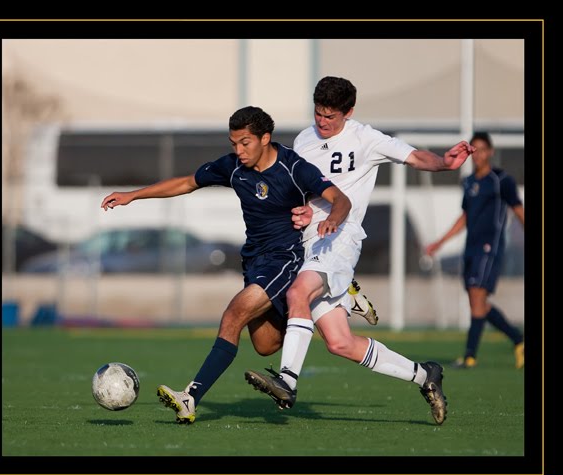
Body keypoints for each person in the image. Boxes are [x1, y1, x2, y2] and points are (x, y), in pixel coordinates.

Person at [245, 76, 475, 425]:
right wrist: (304, 209)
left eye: (331, 116)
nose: (323, 121)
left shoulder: (366, 138)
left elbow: (414, 156)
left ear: (348, 112)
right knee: (339, 342)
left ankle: (287, 380)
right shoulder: (304, 139)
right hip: (307, 242)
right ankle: (424, 375)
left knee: (298, 293)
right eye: (318, 113)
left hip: (341, 237)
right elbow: (303, 187)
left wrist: (444, 162)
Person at [100, 106, 352, 424]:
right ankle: (325, 299)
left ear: (265, 138)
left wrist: (332, 219)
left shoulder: (293, 167)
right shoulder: (233, 167)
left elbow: (341, 199)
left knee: (233, 315)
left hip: (284, 258)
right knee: (265, 344)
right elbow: (186, 182)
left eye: (245, 143)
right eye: (234, 143)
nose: (239, 150)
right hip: (254, 260)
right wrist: (133, 196)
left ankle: (190, 397)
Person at [425, 131, 524, 369]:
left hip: (490, 247)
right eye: (474, 150)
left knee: (477, 297)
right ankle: (518, 339)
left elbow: (518, 210)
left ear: (490, 152)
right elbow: (465, 217)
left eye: (482, 150)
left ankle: (470, 356)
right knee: (477, 302)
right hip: (471, 247)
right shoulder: (469, 182)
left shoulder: (501, 180)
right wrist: (440, 242)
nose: (478, 155)